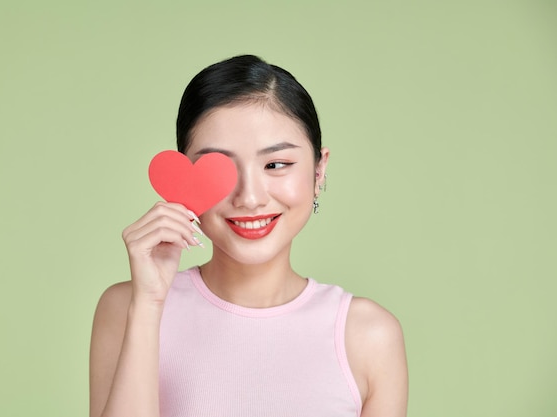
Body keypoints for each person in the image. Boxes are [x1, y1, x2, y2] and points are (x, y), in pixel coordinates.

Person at [89, 55, 408, 417]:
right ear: (183, 177)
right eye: (220, 168)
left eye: (275, 165)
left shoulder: (368, 335)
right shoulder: (127, 308)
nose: (250, 198)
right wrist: (148, 306)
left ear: (319, 170)